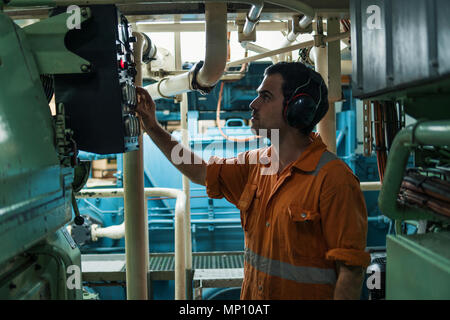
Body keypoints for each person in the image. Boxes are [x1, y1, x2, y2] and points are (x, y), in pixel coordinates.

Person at [135, 62, 370, 300]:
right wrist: (153, 127)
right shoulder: (257, 163)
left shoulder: (334, 180)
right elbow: (200, 171)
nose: (253, 104)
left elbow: (350, 273)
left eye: (265, 97)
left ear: (298, 108)